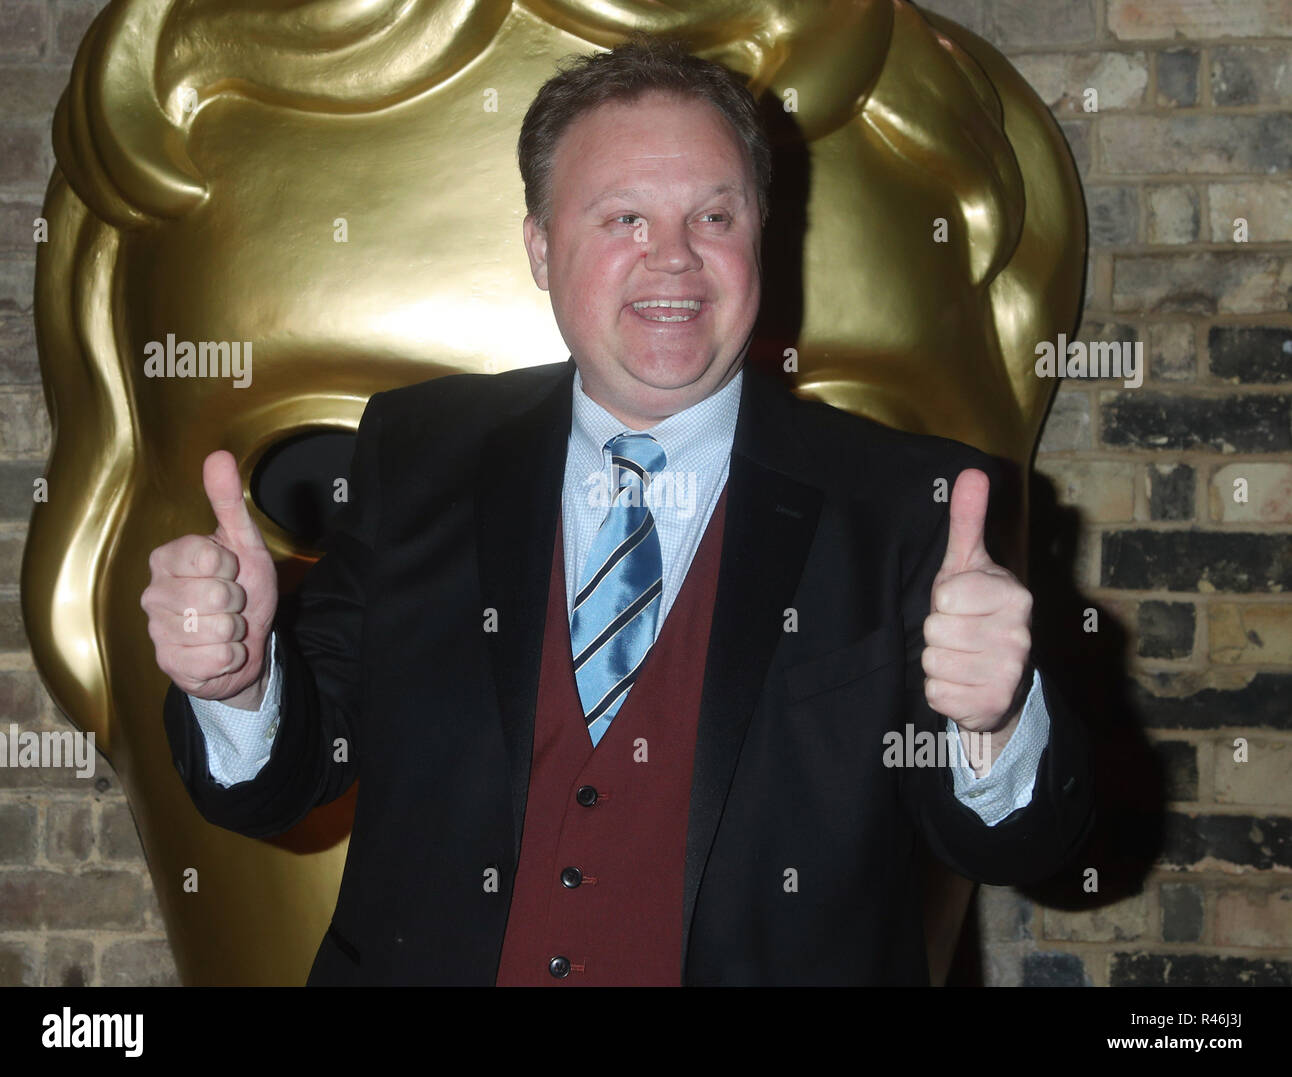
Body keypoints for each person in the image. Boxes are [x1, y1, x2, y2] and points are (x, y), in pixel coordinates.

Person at [143, 35, 1093, 985]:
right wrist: (239, 685)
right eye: (624, 218)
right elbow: (295, 773)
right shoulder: (416, 452)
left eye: (713, 215)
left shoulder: (913, 502)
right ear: (541, 248)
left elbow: (1017, 848)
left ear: (761, 231)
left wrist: (996, 725)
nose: (673, 259)